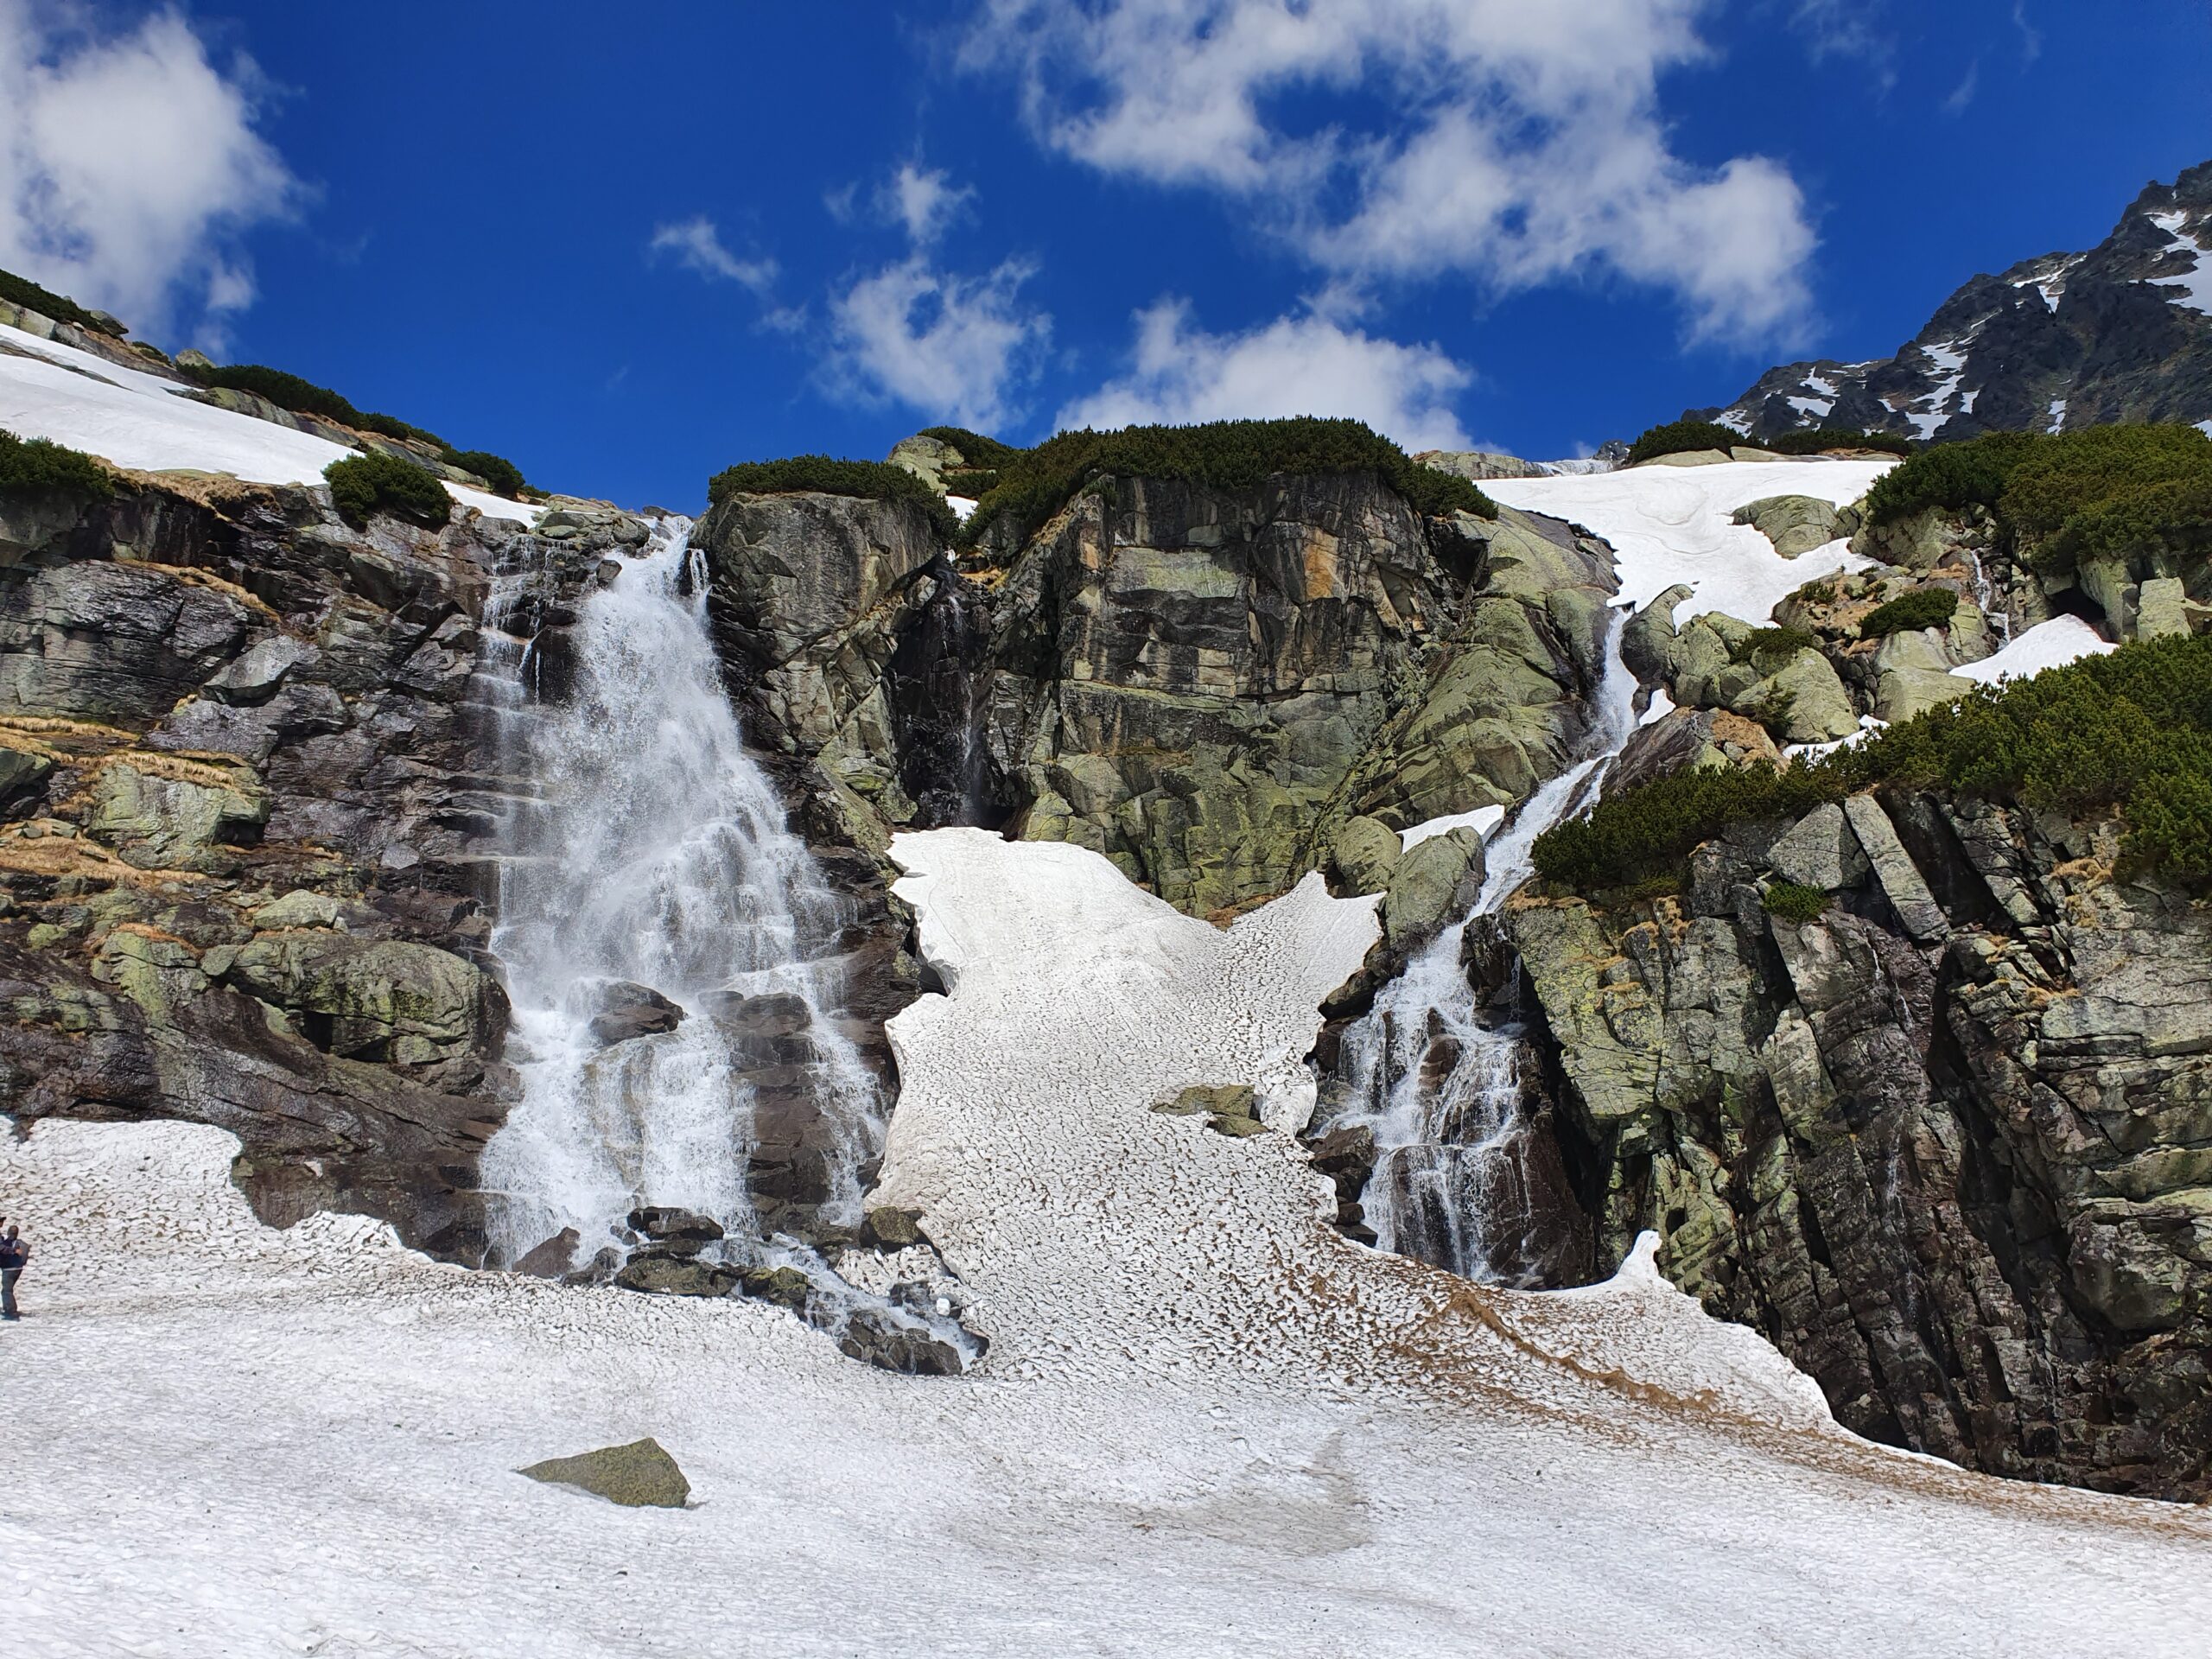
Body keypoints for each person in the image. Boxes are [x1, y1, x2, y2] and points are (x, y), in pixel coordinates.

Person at [0, 1220, 27, 1319]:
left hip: (9, 1270)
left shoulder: (6, 1242)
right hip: (17, 1269)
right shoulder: (21, 1243)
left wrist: (13, 1251)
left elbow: (1, 1248)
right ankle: (9, 1308)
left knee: (7, 1290)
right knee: (7, 1290)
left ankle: (11, 1312)